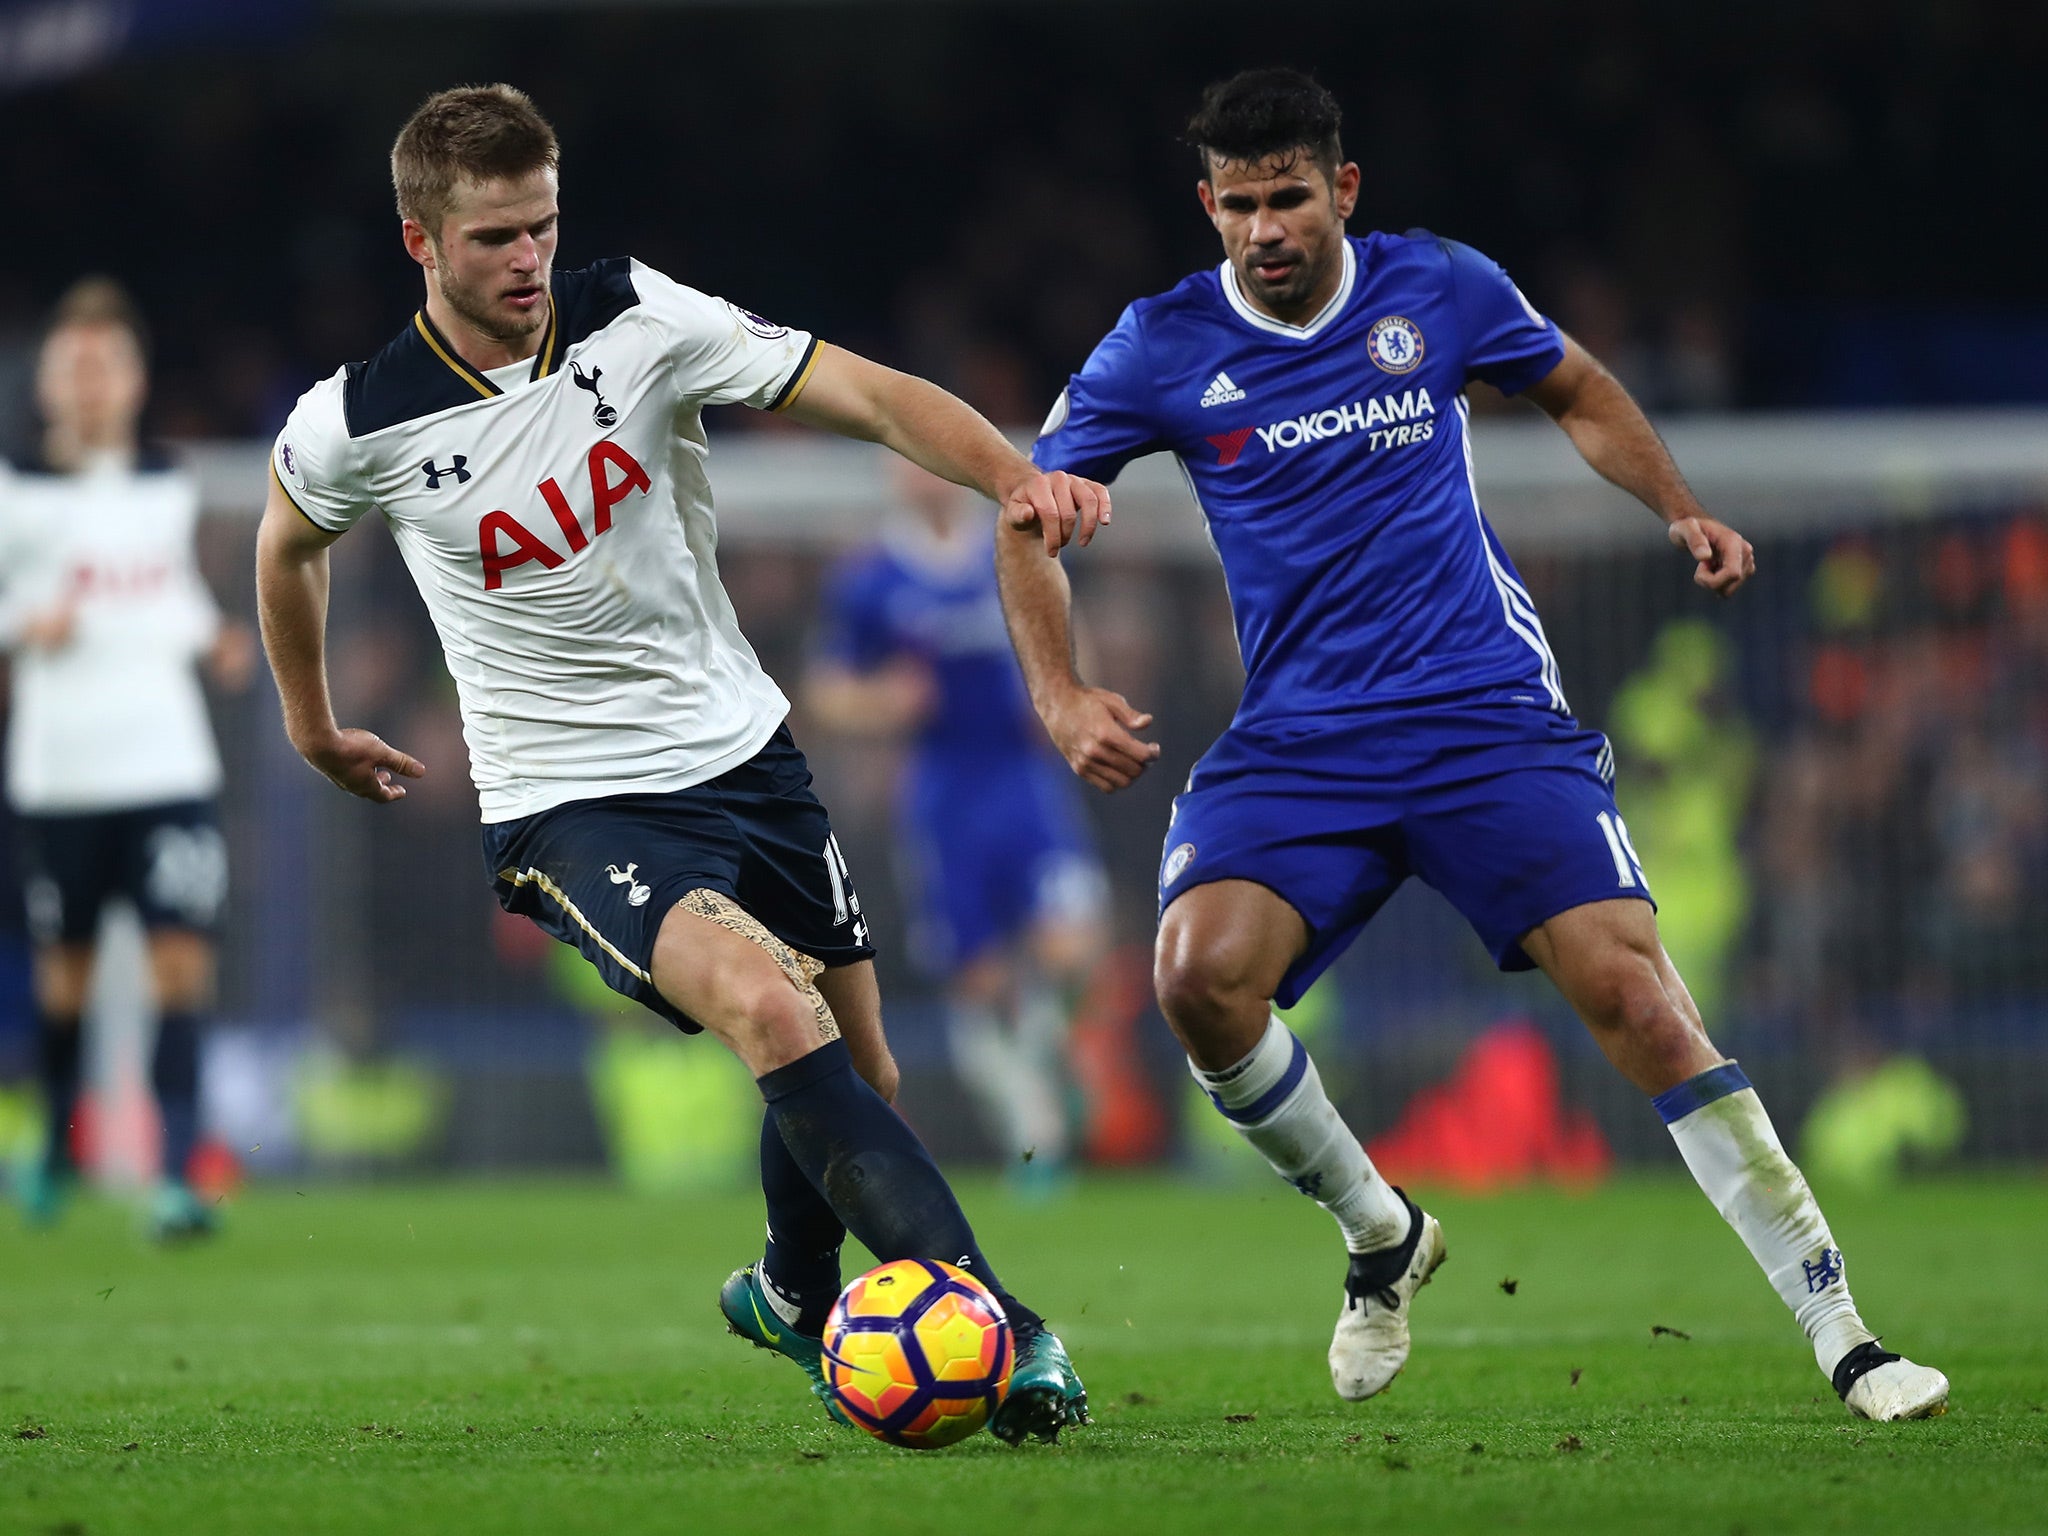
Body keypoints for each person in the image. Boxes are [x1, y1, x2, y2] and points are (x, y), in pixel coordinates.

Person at [1002, 68, 1947, 1423]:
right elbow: (1028, 514)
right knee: (1198, 980)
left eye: (1290, 198)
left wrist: (1677, 508)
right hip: (1301, 742)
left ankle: (1846, 1337)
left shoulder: (1434, 288)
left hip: (1480, 714)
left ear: (1345, 190)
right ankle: (1380, 1232)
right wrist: (1060, 693)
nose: (1266, 230)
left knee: (1635, 998)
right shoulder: (1158, 347)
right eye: (1240, 206)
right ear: (1207, 208)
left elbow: (1579, 388)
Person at [253, 84, 1103, 1443]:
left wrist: (1011, 475)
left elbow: (870, 396)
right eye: (490, 240)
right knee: (776, 1014)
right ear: (420, 242)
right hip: (568, 801)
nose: (527, 260)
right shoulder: (356, 421)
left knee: (860, 1082)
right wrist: (308, 722)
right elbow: (285, 548)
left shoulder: (640, 317)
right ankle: (1007, 1330)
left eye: (540, 226)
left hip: (746, 755)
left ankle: (789, 1283)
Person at [0, 277, 252, 1240]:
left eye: (110, 361)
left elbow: (172, 594)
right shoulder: (17, 490)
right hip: (61, 773)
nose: (94, 380)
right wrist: (26, 623)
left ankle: (180, 1172)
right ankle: (57, 1148)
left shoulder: (165, 483)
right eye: (78, 363)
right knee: (65, 982)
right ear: (51, 381)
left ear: (136, 378)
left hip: (167, 763)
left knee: (179, 967)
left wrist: (211, 638)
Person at [806, 459, 1108, 1187]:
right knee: (977, 979)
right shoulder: (872, 577)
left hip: (1024, 783)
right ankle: (1033, 1137)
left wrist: (1067, 696)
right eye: (910, 468)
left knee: (1073, 954)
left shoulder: (1011, 549)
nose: (927, 480)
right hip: (942, 797)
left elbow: (1074, 639)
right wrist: (884, 702)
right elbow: (826, 691)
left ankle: (1050, 1052)